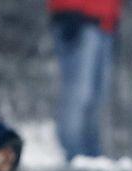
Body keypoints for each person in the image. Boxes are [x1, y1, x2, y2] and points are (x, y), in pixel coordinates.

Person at [48, 0, 124, 159]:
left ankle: (91, 155)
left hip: (106, 24)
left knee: (97, 95)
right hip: (78, 20)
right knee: (78, 92)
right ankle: (73, 153)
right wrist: (68, 10)